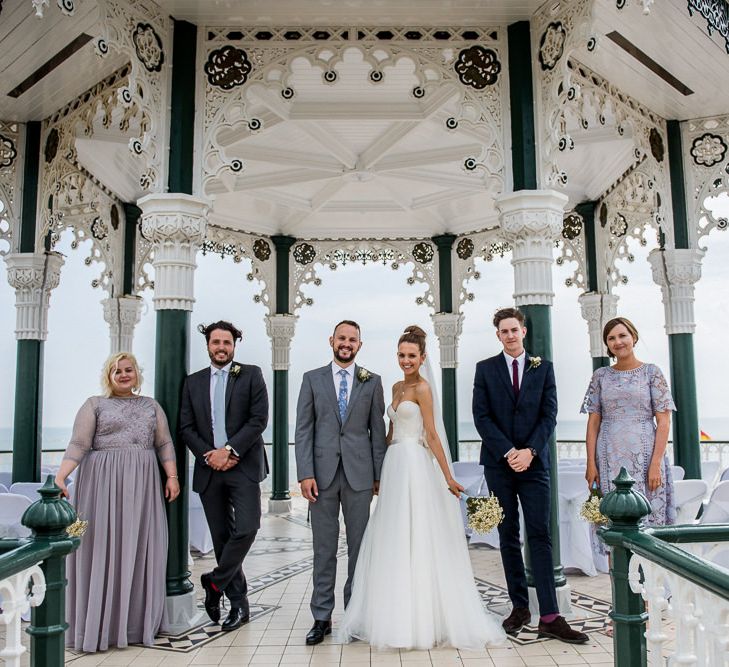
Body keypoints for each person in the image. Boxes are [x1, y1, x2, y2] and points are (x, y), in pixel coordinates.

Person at [339, 326, 506, 650]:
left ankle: (420, 619)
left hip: (415, 463)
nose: (405, 361)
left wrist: (447, 476)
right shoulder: (396, 386)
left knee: (416, 535)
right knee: (392, 536)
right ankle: (391, 613)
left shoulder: (424, 389)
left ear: (422, 357)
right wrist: (376, 469)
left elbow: (431, 434)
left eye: (411, 356)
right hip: (394, 465)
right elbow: (390, 432)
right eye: (401, 355)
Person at [472, 307, 588, 644]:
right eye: (503, 331)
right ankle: (520, 607)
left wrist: (530, 451)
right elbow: (481, 417)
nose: (509, 335)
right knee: (508, 534)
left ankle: (550, 616)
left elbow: (549, 415)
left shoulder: (544, 369)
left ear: (523, 331)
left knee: (540, 535)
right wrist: (509, 452)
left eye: (514, 329)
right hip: (499, 464)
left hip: (535, 465)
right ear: (498, 335)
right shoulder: (485, 370)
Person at [56, 352, 180, 652]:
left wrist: (172, 476)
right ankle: (97, 625)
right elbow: (79, 443)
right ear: (108, 376)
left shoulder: (151, 406)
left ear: (137, 374)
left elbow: (163, 442)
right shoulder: (93, 405)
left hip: (143, 483)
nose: (124, 375)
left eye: (129, 370)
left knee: (140, 545)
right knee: (97, 545)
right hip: (100, 485)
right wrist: (60, 477)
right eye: (117, 371)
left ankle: (134, 625)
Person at [295, 320, 387, 645]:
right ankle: (322, 617)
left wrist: (379, 475)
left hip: (360, 477)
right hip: (320, 477)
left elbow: (377, 431)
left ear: (359, 345)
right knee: (324, 549)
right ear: (331, 340)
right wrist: (305, 473)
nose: (346, 343)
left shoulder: (372, 381)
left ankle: (355, 614)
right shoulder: (311, 379)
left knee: (360, 549)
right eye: (342, 338)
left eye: (353, 340)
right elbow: (303, 429)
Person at [180, 321, 269, 631]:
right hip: (209, 470)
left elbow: (259, 419)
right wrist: (210, 455)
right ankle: (238, 604)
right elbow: (186, 427)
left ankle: (213, 582)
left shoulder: (251, 374)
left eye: (226, 343)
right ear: (208, 345)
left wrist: (230, 451)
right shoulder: (193, 382)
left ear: (235, 345)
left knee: (247, 527)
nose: (221, 347)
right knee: (221, 538)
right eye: (216, 342)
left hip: (242, 466)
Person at [582, 316, 676, 529]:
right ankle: (615, 563)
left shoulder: (652, 372)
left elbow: (664, 422)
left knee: (648, 518)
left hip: (645, 456)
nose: (618, 341)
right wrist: (590, 462)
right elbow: (593, 423)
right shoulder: (600, 376)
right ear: (607, 344)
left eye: (622, 335)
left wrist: (655, 464)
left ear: (633, 337)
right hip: (608, 456)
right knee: (610, 518)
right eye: (611, 338)